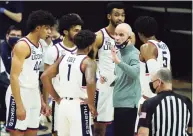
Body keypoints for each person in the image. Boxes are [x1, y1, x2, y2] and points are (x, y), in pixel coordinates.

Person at [5, 10, 55, 136]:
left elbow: (34, 75)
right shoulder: (22, 45)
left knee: (32, 131)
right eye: (47, 28)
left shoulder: (40, 45)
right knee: (18, 132)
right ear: (38, 28)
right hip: (19, 94)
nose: (50, 32)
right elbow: (14, 77)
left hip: (33, 93)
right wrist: (19, 105)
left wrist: (41, 100)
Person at [41, 29, 98, 136]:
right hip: (79, 105)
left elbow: (44, 76)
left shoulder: (63, 57)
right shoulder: (88, 62)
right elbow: (90, 81)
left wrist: (57, 98)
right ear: (90, 46)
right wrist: (91, 102)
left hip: (63, 106)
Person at [91, 2, 134, 135]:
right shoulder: (99, 36)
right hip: (105, 87)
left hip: (123, 87)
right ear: (109, 16)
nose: (120, 18)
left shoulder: (130, 36)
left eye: (122, 15)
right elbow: (90, 62)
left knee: (124, 125)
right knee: (100, 127)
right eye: (116, 15)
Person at [43, 13, 83, 136]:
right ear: (65, 31)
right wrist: (45, 102)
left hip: (79, 101)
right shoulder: (53, 51)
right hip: (60, 100)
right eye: (76, 30)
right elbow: (46, 79)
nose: (79, 33)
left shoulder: (83, 49)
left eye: (80, 30)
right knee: (58, 133)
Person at [134, 16, 171, 132]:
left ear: (139, 33)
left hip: (150, 99)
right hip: (164, 97)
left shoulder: (146, 47)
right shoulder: (164, 46)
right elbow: (168, 72)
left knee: (141, 132)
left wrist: (147, 102)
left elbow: (155, 73)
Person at [138, 68, 192, 136]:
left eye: (153, 81)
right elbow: (191, 130)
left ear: (158, 82)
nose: (151, 84)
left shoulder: (148, 103)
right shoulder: (187, 102)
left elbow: (142, 133)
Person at [110, 23, 141, 136]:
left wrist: (118, 62)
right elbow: (120, 75)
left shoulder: (134, 53)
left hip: (128, 105)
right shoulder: (119, 53)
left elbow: (135, 73)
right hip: (118, 103)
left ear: (129, 37)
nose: (117, 38)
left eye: (121, 35)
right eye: (116, 34)